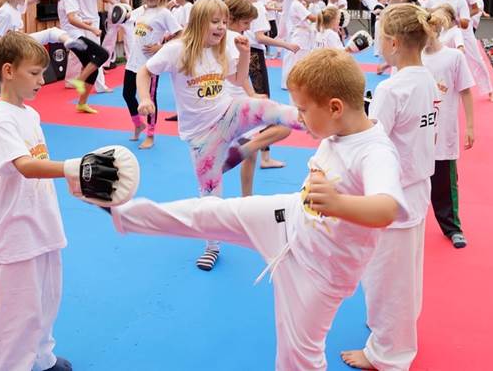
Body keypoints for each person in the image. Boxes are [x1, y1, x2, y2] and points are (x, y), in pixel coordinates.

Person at [109, 49, 409, 370]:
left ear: (335, 107)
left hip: (319, 270)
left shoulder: (375, 151)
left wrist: (338, 204)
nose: (301, 117)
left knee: (298, 357)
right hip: (291, 218)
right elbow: (285, 116)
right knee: (210, 213)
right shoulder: (338, 125)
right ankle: (120, 214)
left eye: (304, 110)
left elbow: (387, 208)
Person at [134, 0, 303, 271]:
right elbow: (144, 71)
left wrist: (245, 53)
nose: (222, 27)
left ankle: (316, 121)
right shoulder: (175, 51)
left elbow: (237, 81)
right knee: (210, 193)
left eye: (224, 22)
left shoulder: (225, 47)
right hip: (201, 136)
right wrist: (145, 98)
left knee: (270, 110)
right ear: (199, 22)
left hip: (229, 113)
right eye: (215, 22)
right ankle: (212, 246)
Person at [342, 4, 442, 371]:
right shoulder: (426, 79)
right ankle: (396, 328)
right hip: (416, 187)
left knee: (386, 276)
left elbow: (372, 141)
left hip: (393, 192)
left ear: (394, 42)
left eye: (381, 36)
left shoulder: (392, 89)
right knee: (405, 271)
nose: (378, 44)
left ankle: (388, 352)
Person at [0, 32, 74, 371]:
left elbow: (18, 164)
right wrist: (76, 169)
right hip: (17, 232)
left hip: (43, 222)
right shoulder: (0, 117)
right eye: (34, 73)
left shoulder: (29, 115)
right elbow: (27, 166)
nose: (42, 80)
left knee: (47, 301)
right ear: (8, 71)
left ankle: (42, 358)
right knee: (17, 315)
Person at [223, 0, 294, 195]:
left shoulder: (225, 37)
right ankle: (244, 154)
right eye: (245, 23)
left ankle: (247, 197)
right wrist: (252, 95)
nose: (247, 28)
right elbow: (240, 75)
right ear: (231, 19)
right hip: (237, 101)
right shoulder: (233, 38)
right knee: (284, 126)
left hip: (233, 100)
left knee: (251, 153)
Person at [423, 6, 475, 248]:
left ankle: (452, 227)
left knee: (444, 184)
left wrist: (470, 127)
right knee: (411, 183)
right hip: (417, 134)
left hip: (443, 132)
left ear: (436, 31)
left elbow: (465, 91)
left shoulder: (454, 57)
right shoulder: (413, 58)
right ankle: (408, 225)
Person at [0, 0, 92, 76]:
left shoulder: (15, 6)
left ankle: (69, 41)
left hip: (19, 40)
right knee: (51, 33)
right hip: (13, 45)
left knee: (54, 32)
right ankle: (68, 42)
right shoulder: (5, 12)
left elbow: (28, 2)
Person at [123, 0, 182, 149]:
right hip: (132, 61)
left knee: (149, 99)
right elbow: (125, 17)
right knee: (127, 94)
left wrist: (161, 46)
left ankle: (150, 134)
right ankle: (138, 124)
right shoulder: (140, 11)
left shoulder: (163, 13)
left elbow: (180, 33)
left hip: (149, 65)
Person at [425, 0, 493, 102]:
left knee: (476, 60)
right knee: (432, 61)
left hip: (459, 33)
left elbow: (466, 21)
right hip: (438, 36)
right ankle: (434, 91)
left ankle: (490, 90)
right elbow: (424, 13)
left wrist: (451, 18)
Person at [52, 0, 112, 114]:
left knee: (93, 68)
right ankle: (79, 79)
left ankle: (82, 104)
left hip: (73, 36)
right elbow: (72, 20)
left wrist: (84, 22)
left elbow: (69, 19)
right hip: (75, 38)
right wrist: (92, 28)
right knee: (103, 54)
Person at [76, 0, 119, 96]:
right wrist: (118, 4)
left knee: (83, 54)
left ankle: (79, 79)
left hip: (79, 22)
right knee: (97, 54)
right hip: (91, 23)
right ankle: (99, 85)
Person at [281, 0, 317, 90]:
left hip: (302, 34)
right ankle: (292, 83)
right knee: (297, 61)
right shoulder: (297, 4)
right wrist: (326, 18)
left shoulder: (298, 3)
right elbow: (311, 18)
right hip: (300, 36)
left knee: (296, 61)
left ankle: (292, 83)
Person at [102, 0, 131, 68]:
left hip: (112, 13)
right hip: (123, 12)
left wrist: (114, 3)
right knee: (130, 36)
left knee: (109, 38)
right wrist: (129, 11)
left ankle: (103, 62)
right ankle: (131, 61)